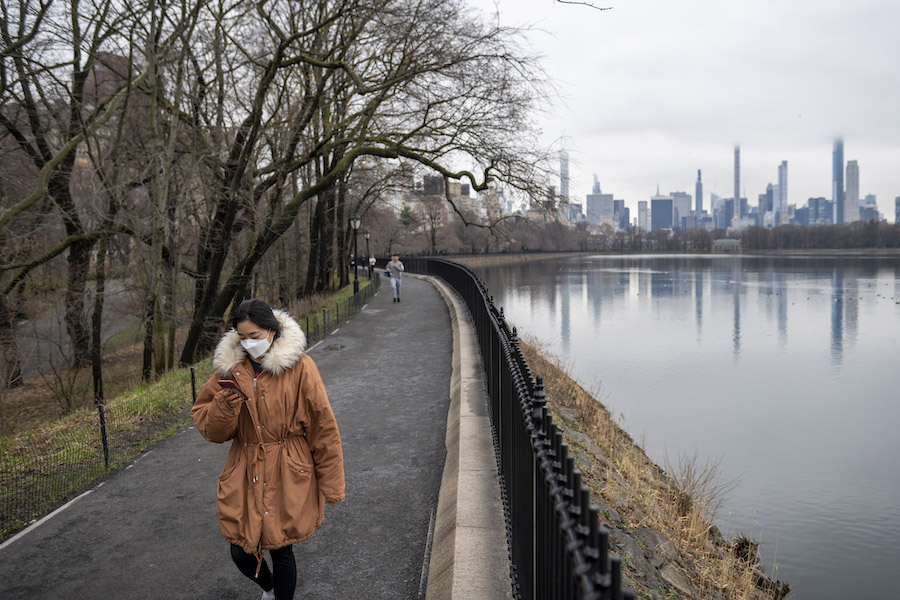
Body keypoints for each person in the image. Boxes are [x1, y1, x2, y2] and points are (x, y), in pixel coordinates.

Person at [191, 299, 345, 600]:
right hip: (244, 467)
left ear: (272, 332)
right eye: (242, 337)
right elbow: (211, 430)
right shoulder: (229, 371)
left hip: (287, 467)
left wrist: (332, 483)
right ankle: (269, 588)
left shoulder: (300, 367)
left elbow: (323, 427)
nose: (249, 343)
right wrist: (225, 406)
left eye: (255, 335)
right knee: (240, 551)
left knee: (281, 547)